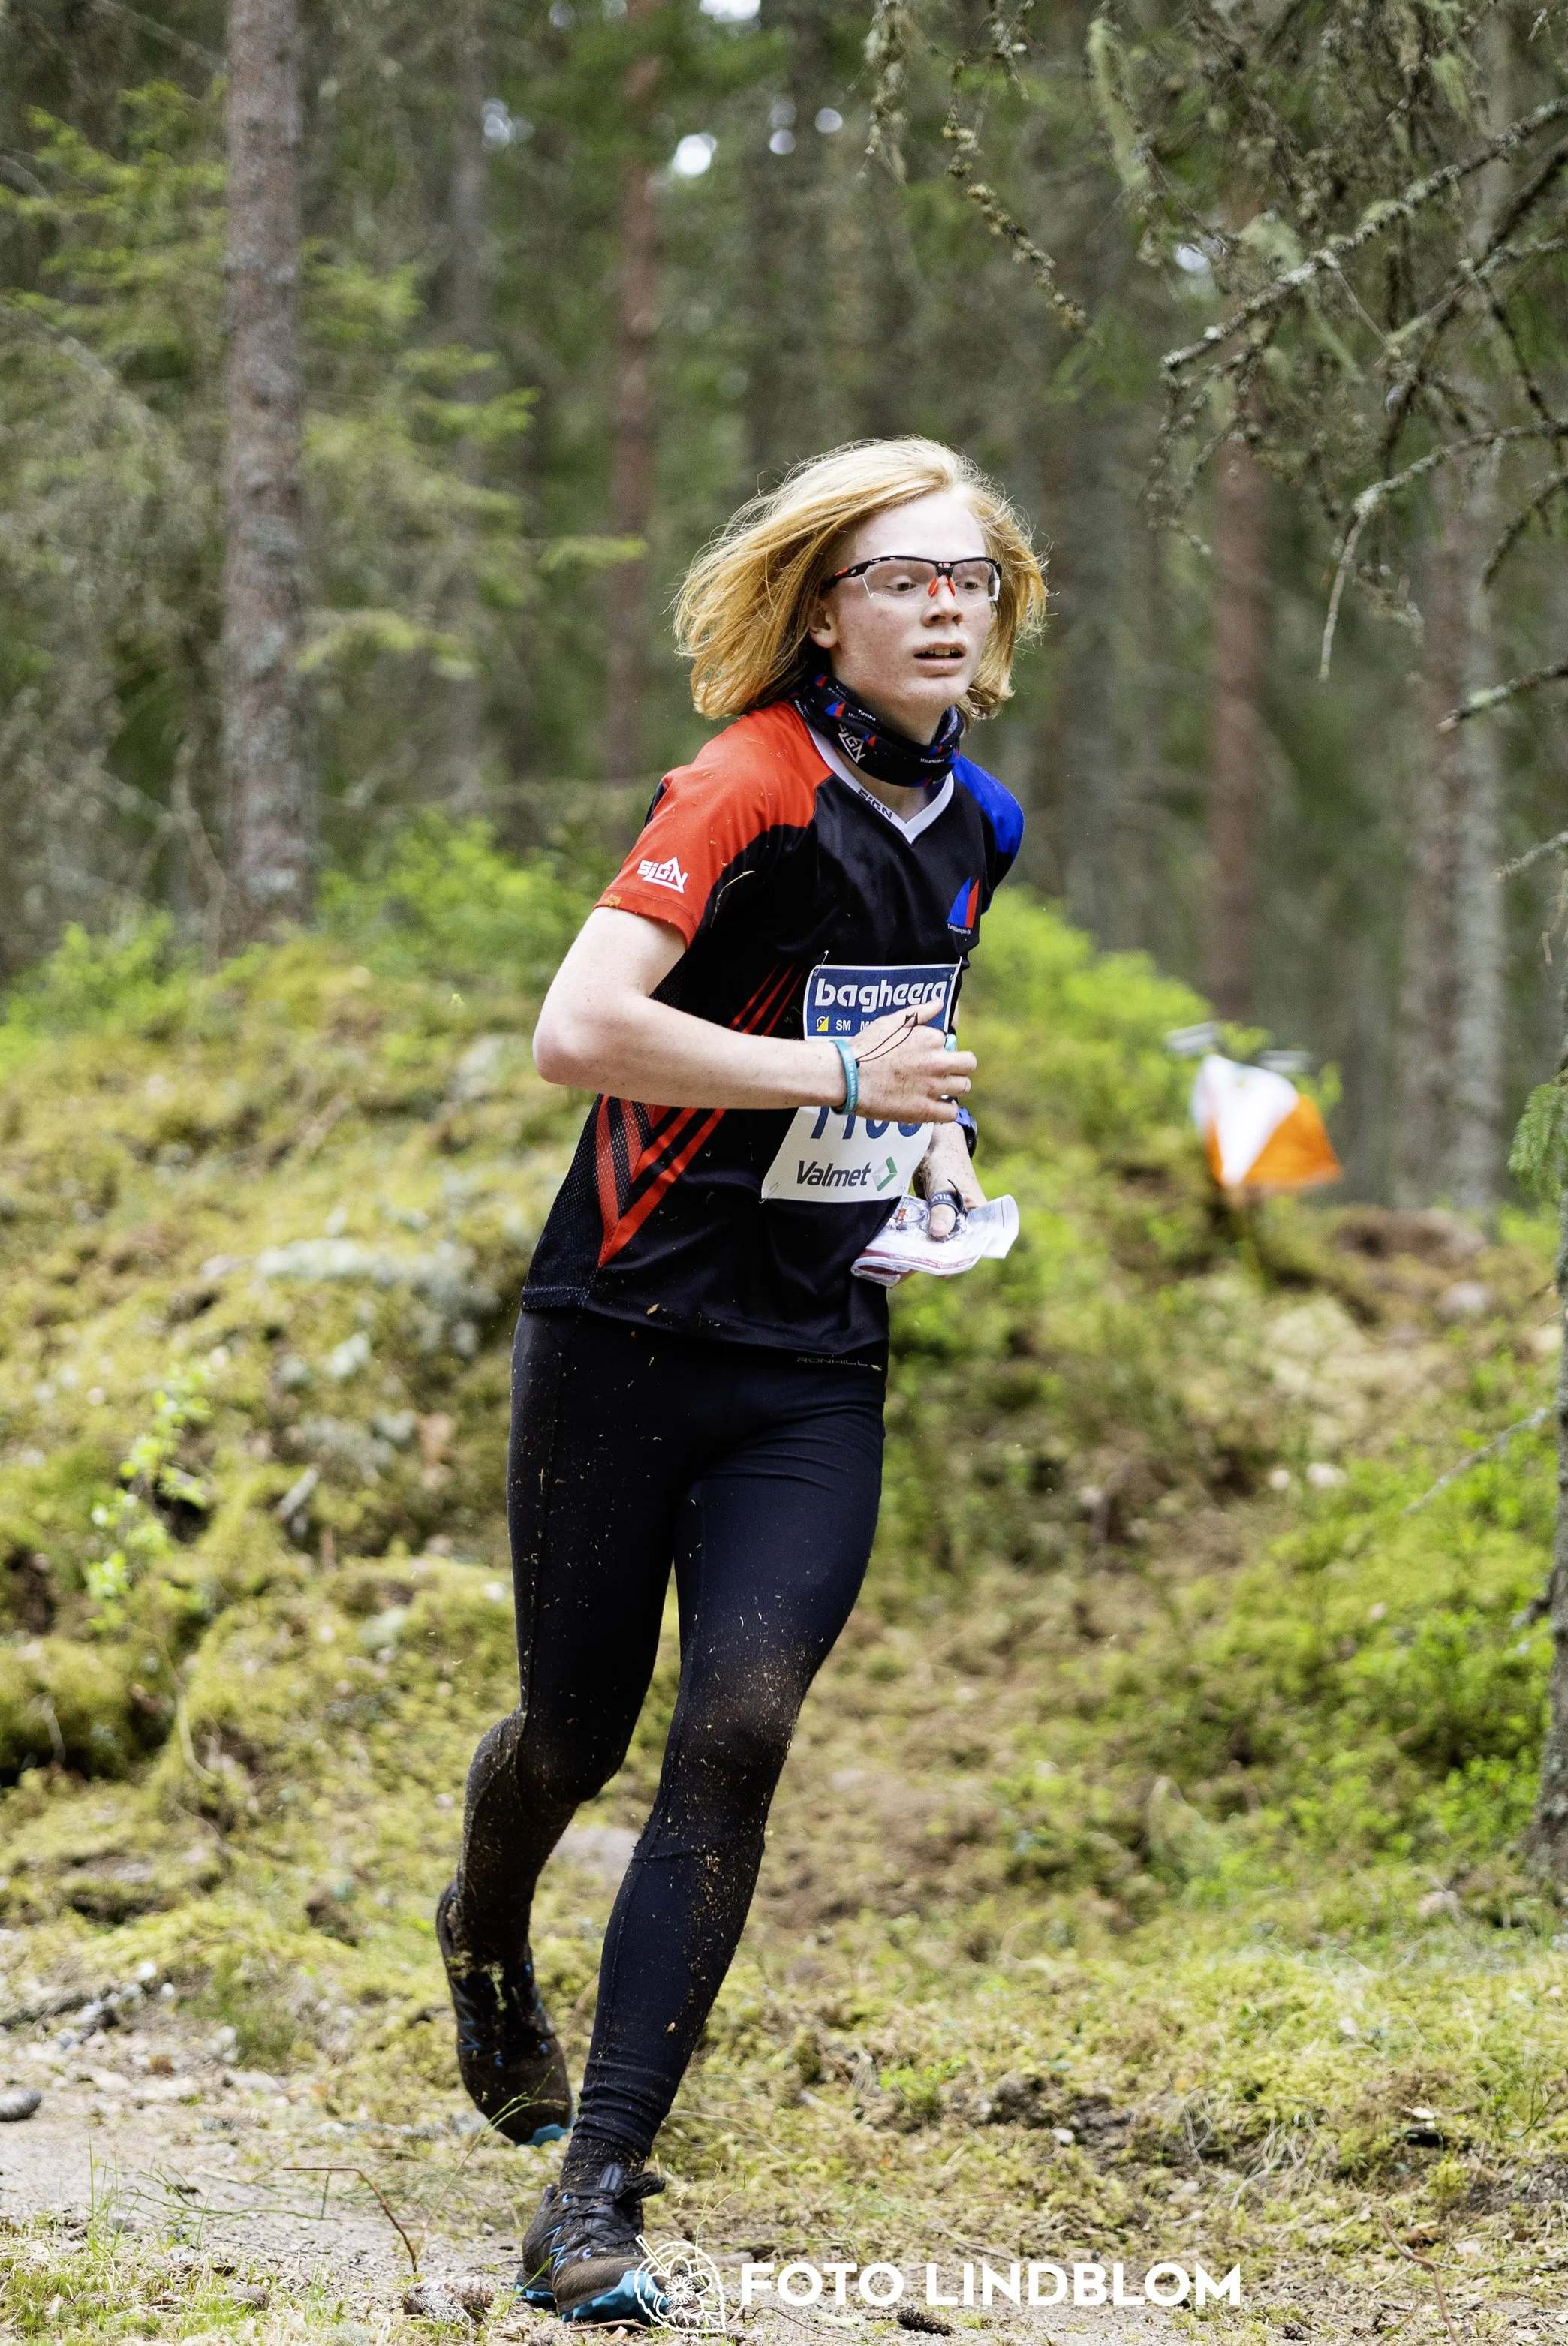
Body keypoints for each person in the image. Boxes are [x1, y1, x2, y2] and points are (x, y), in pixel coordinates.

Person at [434, 438, 1046, 2325]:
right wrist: (841, 1081)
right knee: (571, 1732)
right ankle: (484, 1925)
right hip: (619, 1328)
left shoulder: (979, 822)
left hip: (811, 1360)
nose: (938, 608)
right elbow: (580, 1028)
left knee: (738, 1731)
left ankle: (595, 2187)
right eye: (898, 579)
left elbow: (886, 1044)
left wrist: (924, 1155)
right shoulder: (743, 782)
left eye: (966, 580)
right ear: (822, 611)